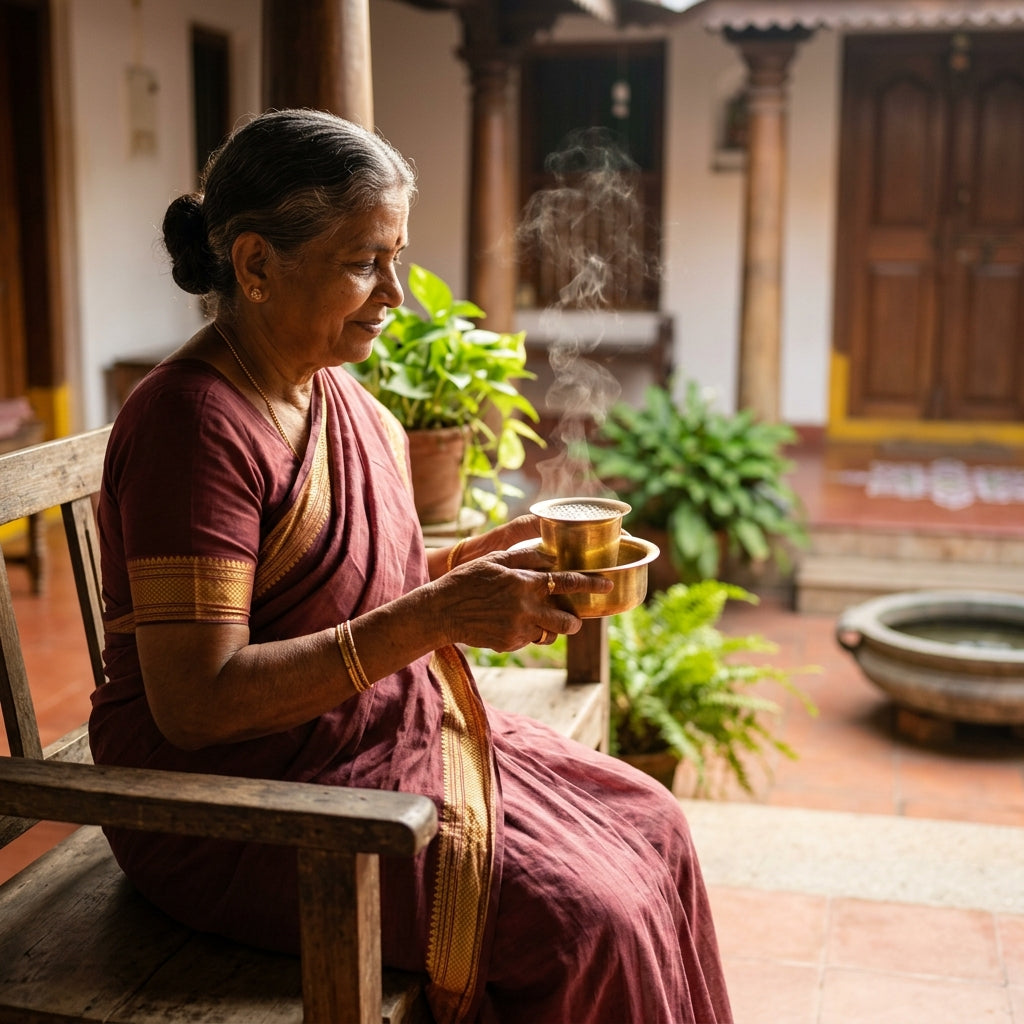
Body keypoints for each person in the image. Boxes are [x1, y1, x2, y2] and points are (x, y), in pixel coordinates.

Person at [89, 108, 732, 1024]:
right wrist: (440, 616)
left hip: (363, 737)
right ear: (257, 265)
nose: (396, 293)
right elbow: (197, 704)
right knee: (589, 916)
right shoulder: (193, 425)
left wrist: (474, 563)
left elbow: (324, 577)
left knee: (654, 823)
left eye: (396, 257)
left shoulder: (332, 392)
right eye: (363, 262)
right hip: (230, 805)